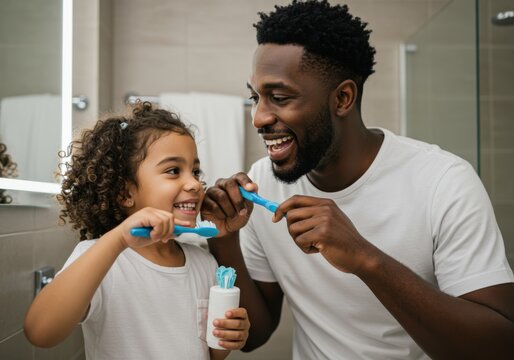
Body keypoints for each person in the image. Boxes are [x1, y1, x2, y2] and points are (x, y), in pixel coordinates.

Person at [201, 1, 514, 359]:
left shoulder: (443, 182)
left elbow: (498, 346)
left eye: (280, 98)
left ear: (343, 98)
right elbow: (255, 333)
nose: (258, 118)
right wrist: (225, 241)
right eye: (255, 97)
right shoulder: (264, 183)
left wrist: (364, 258)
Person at [23, 101, 250, 360]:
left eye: (195, 171)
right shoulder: (102, 258)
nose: (195, 184)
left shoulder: (204, 264)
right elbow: (40, 332)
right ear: (125, 192)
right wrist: (118, 239)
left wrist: (226, 338)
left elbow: (210, 353)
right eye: (174, 171)